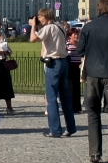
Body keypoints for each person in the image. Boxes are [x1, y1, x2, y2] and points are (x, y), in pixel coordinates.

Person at [77, 0, 108, 163]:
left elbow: (80, 50)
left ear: (98, 8)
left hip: (92, 73)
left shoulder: (88, 27)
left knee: (93, 113)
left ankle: (95, 153)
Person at [30, 8, 76, 138]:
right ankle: (71, 127)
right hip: (63, 61)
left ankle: (55, 129)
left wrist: (33, 26)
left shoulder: (48, 27)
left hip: (53, 62)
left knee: (51, 97)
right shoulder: (59, 26)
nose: (38, 19)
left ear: (46, 16)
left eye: (40, 17)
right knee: (65, 96)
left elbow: (33, 38)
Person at [66, 27, 83, 113]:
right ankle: (71, 106)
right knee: (71, 87)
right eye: (74, 34)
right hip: (70, 67)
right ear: (70, 36)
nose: (76, 36)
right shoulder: (67, 44)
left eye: (77, 34)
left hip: (77, 67)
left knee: (77, 87)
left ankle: (77, 106)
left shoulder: (79, 44)